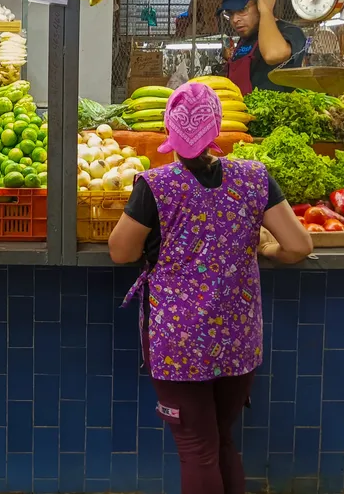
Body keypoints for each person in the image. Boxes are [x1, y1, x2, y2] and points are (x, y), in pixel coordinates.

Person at [108, 82, 313, 494]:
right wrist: (268, 249)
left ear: (170, 129)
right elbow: (298, 245)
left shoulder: (156, 185)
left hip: (179, 343)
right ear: (217, 129)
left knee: (196, 448)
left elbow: (120, 251)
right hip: (238, 341)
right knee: (221, 441)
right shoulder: (254, 177)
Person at [219, 0, 307, 94]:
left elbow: (273, 55)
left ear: (259, 5)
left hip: (275, 110)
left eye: (242, 10)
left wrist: (266, 10)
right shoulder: (245, 39)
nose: (235, 19)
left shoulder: (290, 32)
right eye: (230, 14)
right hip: (241, 109)